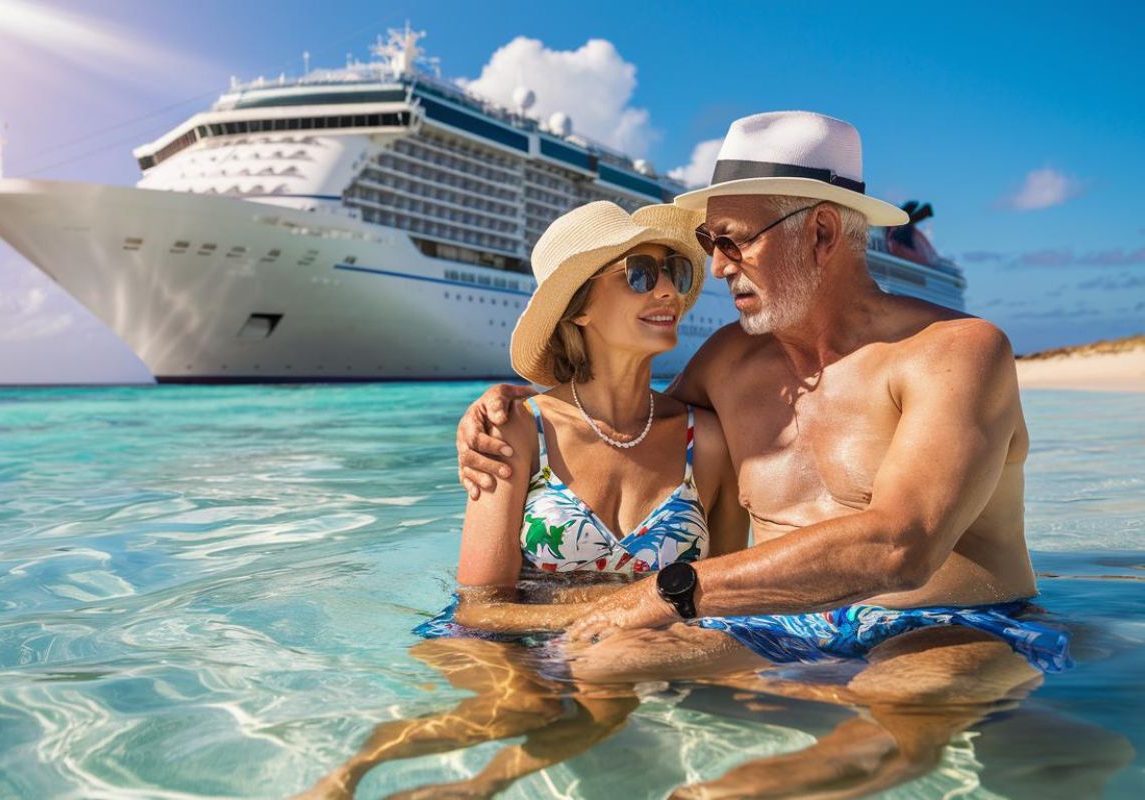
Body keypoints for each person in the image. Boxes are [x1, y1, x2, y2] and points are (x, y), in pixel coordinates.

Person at [455, 111, 1074, 796]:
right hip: (784, 627)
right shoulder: (729, 361)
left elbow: (904, 544)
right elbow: (624, 420)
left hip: (952, 627)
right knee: (605, 659)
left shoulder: (956, 353)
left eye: (732, 242)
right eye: (709, 243)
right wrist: (508, 408)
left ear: (821, 231)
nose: (713, 268)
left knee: (863, 723)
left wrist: (672, 591)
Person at [299, 201, 749, 799]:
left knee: (617, 673)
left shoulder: (708, 440)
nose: (668, 288)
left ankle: (476, 789)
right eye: (640, 273)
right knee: (521, 710)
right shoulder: (518, 429)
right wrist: (610, 613)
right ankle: (344, 777)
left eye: (676, 272)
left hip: (629, 647)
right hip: (504, 637)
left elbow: (723, 593)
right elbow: (479, 606)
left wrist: (628, 629)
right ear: (579, 307)